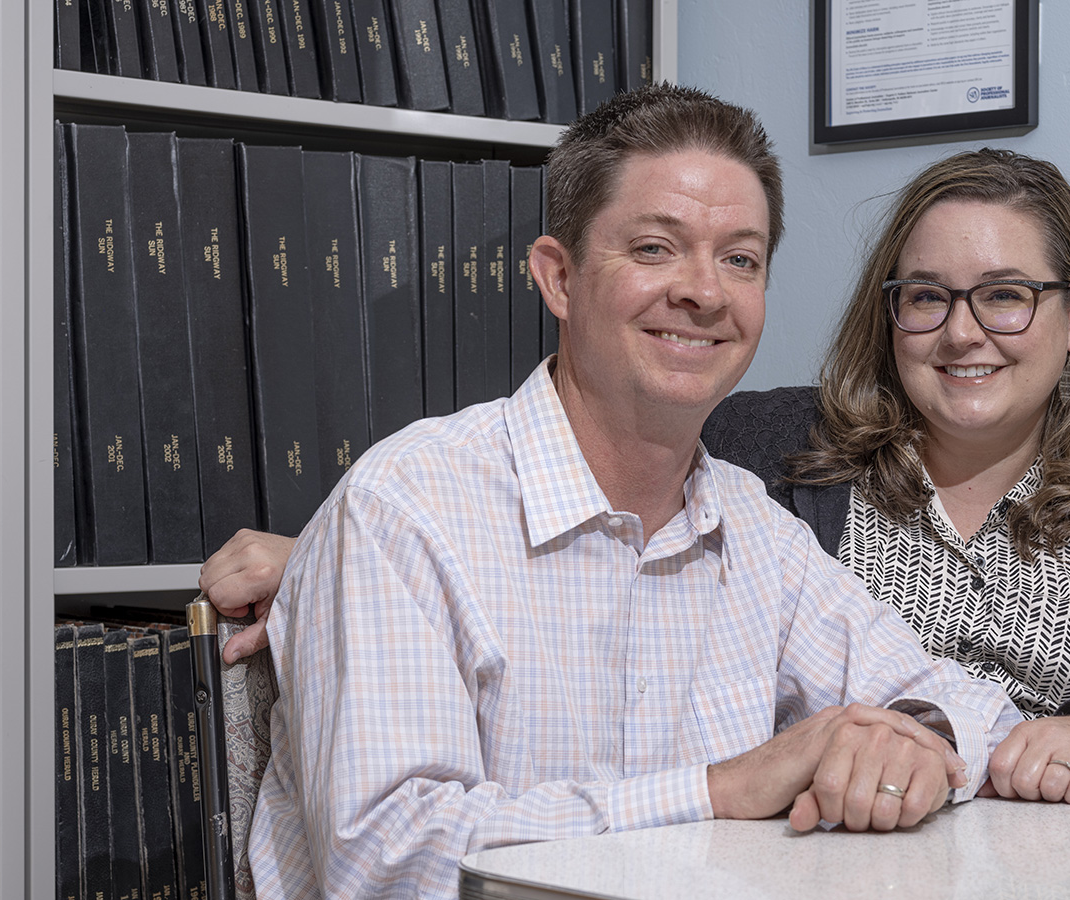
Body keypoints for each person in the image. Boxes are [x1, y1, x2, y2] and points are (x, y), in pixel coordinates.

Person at [206, 147, 1070, 811]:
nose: (962, 331)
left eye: (1006, 295)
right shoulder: (768, 451)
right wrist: (333, 553)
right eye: (924, 295)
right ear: (888, 318)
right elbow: (587, 500)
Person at [242, 85, 1022, 900]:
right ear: (559, 278)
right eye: (655, 248)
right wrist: (716, 793)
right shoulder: (403, 509)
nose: (705, 292)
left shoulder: (755, 531)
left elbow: (970, 713)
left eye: (740, 259)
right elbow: (386, 859)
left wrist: (910, 741)